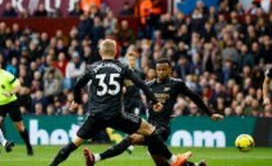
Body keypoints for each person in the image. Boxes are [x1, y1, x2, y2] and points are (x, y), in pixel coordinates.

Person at [49, 39, 192, 166]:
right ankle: (174, 160)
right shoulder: (122, 67)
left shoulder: (93, 67)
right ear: (116, 52)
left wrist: (77, 101)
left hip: (95, 116)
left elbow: (77, 85)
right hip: (116, 115)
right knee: (150, 130)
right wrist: (154, 101)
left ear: (100, 52)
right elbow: (140, 83)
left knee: (74, 143)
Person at [84, 58, 224, 166]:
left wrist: (210, 113)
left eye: (164, 69)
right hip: (149, 126)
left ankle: (96, 158)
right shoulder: (149, 85)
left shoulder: (176, 84)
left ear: (170, 70)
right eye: (159, 69)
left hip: (161, 128)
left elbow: (194, 97)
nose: (161, 72)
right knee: (163, 164)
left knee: (131, 138)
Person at [0, 57, 33, 156]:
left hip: (11, 103)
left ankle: (29, 146)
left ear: (0, 65)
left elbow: (18, 86)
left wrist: (10, 93)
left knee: (20, 127)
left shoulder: (6, 75)